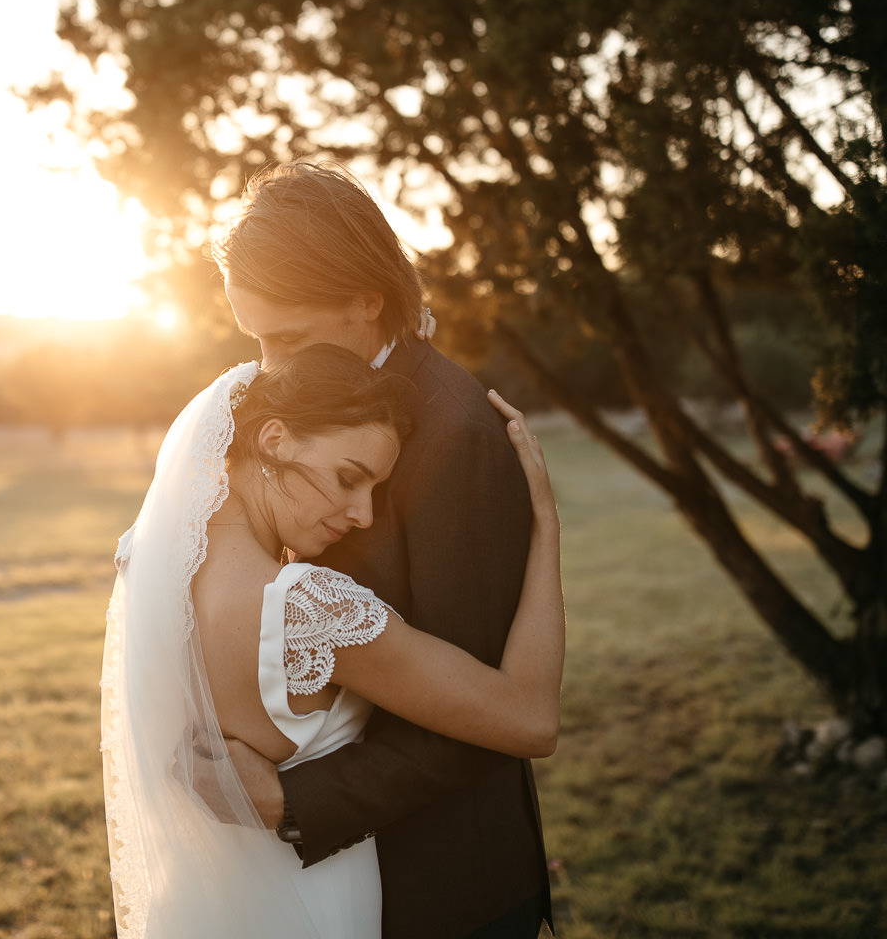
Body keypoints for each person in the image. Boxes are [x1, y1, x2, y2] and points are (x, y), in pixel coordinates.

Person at [100, 340, 561, 938]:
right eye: (349, 478)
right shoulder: (307, 608)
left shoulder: (148, 557)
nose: (363, 514)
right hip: (314, 908)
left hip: (206, 906)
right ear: (273, 440)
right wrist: (545, 524)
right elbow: (531, 720)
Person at [217, 161, 554, 939]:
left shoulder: (456, 434)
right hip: (337, 885)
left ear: (367, 299)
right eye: (256, 337)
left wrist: (292, 803)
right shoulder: (305, 405)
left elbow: (493, 709)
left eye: (289, 337)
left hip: (441, 885)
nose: (267, 364)